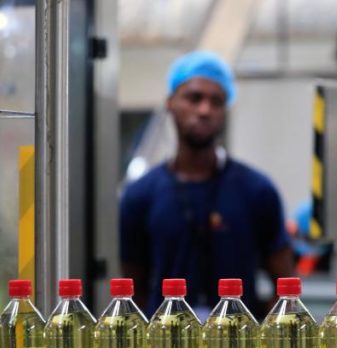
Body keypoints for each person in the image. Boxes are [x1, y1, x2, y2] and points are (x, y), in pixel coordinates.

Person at [119, 51, 295, 318]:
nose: (204, 110)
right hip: (167, 339)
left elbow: (286, 287)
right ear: (170, 103)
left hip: (238, 339)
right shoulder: (140, 196)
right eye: (194, 98)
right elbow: (133, 292)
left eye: (216, 101)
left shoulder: (257, 191)